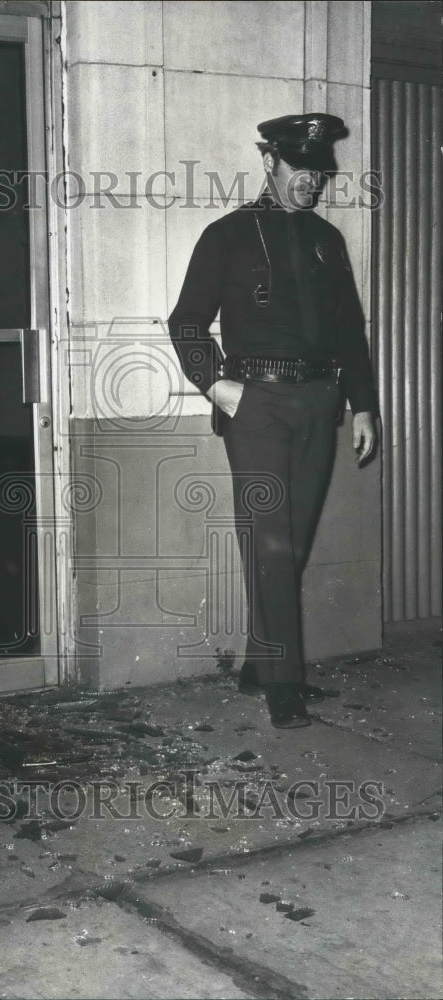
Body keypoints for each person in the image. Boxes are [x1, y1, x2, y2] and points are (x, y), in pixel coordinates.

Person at [168, 113, 378, 729]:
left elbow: (350, 331)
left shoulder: (326, 240)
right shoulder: (227, 235)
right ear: (269, 163)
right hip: (256, 404)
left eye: (318, 171)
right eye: (298, 169)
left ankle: (260, 664)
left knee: (295, 541)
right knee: (271, 540)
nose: (310, 181)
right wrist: (217, 385)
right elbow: (185, 322)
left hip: (320, 401)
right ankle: (284, 684)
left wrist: (363, 403)